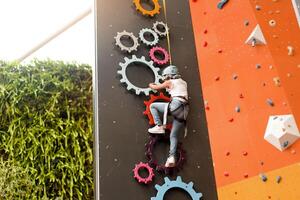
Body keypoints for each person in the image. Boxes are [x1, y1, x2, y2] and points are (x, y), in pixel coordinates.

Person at [148, 65, 189, 168]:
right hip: (184, 111)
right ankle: (171, 158)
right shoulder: (184, 82)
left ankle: (159, 126)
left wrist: (151, 85)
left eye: (166, 76)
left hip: (176, 105)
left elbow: (156, 87)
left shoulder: (169, 82)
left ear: (170, 75)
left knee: (153, 106)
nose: (165, 79)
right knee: (173, 135)